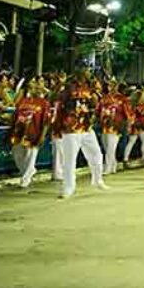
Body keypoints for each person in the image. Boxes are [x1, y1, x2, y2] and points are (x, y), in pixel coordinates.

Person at [54, 69, 108, 198]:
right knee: (70, 160)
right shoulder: (68, 87)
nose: (89, 73)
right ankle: (68, 188)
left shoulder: (89, 88)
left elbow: (95, 105)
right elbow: (57, 102)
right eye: (87, 71)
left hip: (86, 127)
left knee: (96, 154)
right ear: (80, 73)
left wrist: (95, 95)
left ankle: (97, 180)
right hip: (70, 128)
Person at [10, 76, 50, 187]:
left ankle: (25, 179)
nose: (36, 88)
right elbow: (15, 115)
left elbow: (46, 121)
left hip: (34, 133)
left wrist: (42, 136)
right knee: (17, 154)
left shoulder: (44, 103)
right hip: (19, 132)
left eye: (38, 87)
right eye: (34, 86)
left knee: (30, 156)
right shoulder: (23, 101)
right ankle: (28, 172)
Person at [97, 79, 127, 175]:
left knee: (111, 147)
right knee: (106, 147)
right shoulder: (104, 98)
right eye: (110, 85)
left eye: (114, 85)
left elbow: (127, 113)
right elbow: (98, 110)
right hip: (104, 125)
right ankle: (113, 165)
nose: (111, 87)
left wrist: (128, 125)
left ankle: (108, 167)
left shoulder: (122, 99)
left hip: (115, 126)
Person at [123, 89, 144, 167]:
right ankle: (143, 159)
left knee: (131, 142)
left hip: (134, 124)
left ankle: (126, 159)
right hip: (140, 124)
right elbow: (142, 112)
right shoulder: (141, 104)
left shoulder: (131, 103)